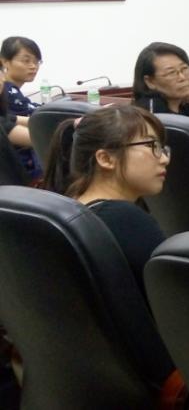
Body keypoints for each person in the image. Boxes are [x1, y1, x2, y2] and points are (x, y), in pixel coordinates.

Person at [43, 104, 169, 298]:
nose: (164, 159)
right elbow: (177, 296)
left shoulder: (76, 207)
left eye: (162, 148)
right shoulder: (124, 220)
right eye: (151, 145)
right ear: (106, 158)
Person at [1, 36, 43, 179]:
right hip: (20, 175)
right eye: (26, 60)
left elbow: (24, 116)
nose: (33, 66)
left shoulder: (12, 91)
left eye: (37, 61)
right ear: (5, 62)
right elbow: (36, 121)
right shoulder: (9, 91)